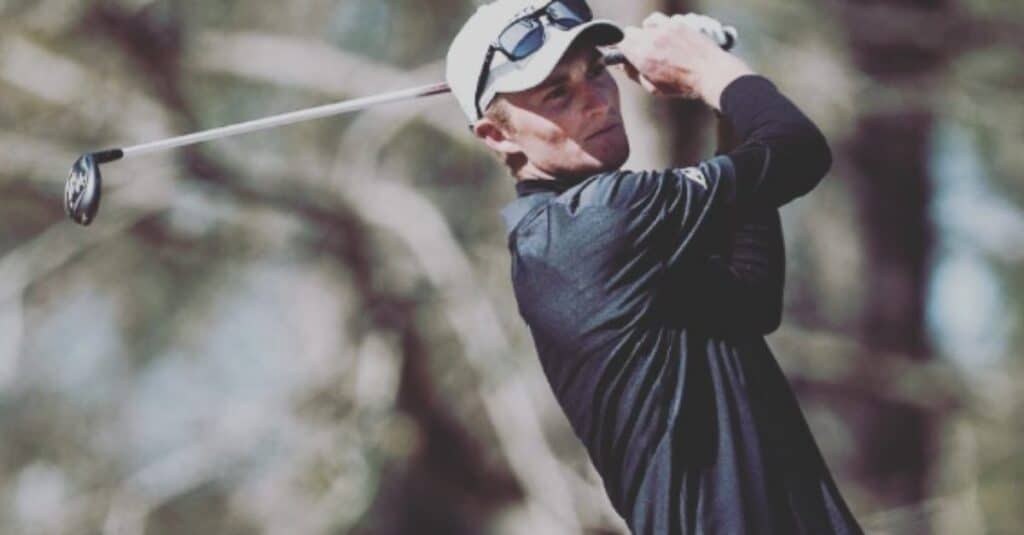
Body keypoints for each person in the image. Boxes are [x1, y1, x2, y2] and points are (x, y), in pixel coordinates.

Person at [446, 1, 865, 533]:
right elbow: (798, 150)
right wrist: (707, 69)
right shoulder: (593, 222)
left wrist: (718, 103)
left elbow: (751, 297)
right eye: (558, 93)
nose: (597, 101)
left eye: (596, 71)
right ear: (497, 136)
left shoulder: (578, 236)